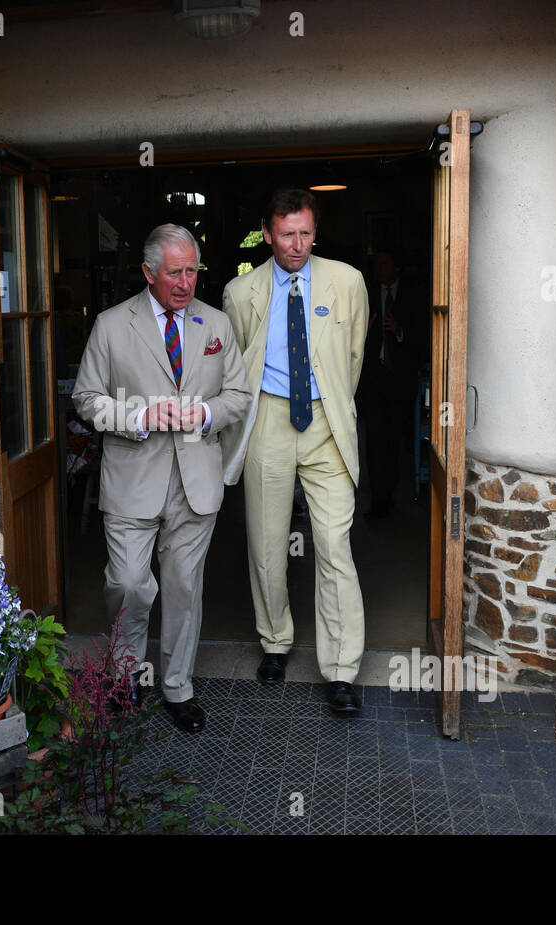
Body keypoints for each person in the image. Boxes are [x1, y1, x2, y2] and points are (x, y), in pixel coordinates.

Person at [73, 224, 251, 733]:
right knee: (129, 583)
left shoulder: (216, 323)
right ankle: (124, 677)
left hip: (196, 480)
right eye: (175, 272)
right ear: (149, 272)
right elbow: (85, 400)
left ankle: (177, 688)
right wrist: (139, 416)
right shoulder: (111, 325)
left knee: (183, 588)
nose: (186, 282)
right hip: (133, 477)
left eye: (192, 270)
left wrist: (204, 414)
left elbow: (239, 396)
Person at [221, 188, 368, 715]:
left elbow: (354, 357)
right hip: (269, 418)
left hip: (326, 422)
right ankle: (275, 641)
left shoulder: (347, 282)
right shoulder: (240, 292)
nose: (298, 244)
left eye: (306, 233)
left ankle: (342, 668)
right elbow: (238, 364)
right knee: (266, 543)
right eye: (287, 234)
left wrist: (332, 405)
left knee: (333, 544)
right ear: (268, 234)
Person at [359, 247, 423, 517]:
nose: (379, 268)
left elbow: (424, 336)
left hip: (399, 381)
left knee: (395, 442)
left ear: (397, 267)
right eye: (377, 263)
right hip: (374, 381)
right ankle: (379, 499)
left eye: (385, 263)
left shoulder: (413, 295)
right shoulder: (367, 294)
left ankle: (392, 492)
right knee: (374, 442)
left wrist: (400, 332)